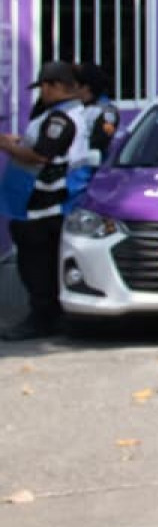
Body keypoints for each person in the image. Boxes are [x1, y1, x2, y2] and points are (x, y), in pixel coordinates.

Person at [0, 63, 90, 339]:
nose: (42, 94)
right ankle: (51, 318)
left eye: (44, 88)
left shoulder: (60, 119)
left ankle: (41, 319)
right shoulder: (65, 114)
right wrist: (19, 142)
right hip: (41, 204)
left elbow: (42, 156)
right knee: (43, 264)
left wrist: (4, 144)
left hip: (41, 205)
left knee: (36, 266)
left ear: (54, 86)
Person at [72, 62, 119, 204]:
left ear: (85, 87)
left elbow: (98, 144)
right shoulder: (77, 108)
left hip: (87, 179)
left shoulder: (105, 112)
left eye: (74, 85)